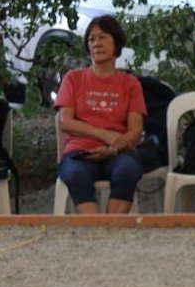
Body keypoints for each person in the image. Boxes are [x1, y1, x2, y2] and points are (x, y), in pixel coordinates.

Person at [54, 16, 146, 214]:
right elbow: (66, 123)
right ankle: (96, 229)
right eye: (92, 39)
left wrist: (113, 148)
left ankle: (111, 228)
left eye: (102, 37)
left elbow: (136, 130)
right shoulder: (73, 78)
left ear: (116, 43)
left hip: (119, 153)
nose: (96, 44)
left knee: (127, 172)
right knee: (76, 175)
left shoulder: (130, 83)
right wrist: (104, 135)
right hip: (81, 152)